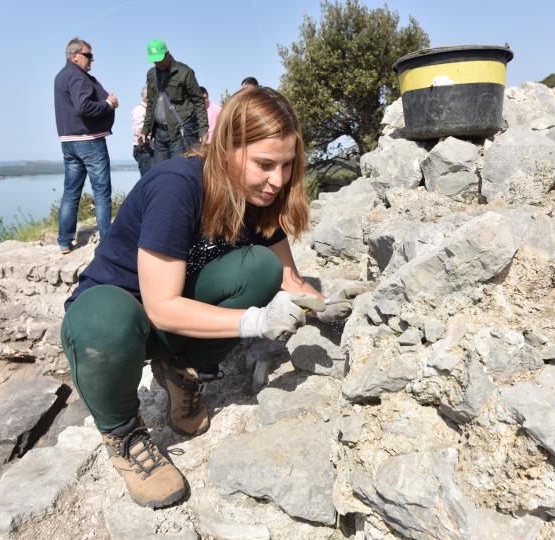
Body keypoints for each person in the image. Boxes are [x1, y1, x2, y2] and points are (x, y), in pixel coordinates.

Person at [61, 87, 349, 509]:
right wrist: (256, 322)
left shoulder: (257, 196)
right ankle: (123, 434)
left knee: (260, 268)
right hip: (121, 319)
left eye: (287, 165)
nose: (278, 180)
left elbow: (288, 277)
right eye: (265, 164)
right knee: (105, 323)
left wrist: (332, 306)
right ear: (227, 147)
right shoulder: (178, 186)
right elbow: (160, 306)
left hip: (172, 324)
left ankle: (183, 369)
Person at [53, 37, 118, 254]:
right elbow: (83, 107)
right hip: (88, 141)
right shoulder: (77, 76)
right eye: (88, 55)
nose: (92, 60)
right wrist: (108, 104)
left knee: (71, 192)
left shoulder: (61, 77)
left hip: (68, 142)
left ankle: (64, 240)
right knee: (101, 193)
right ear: (74, 56)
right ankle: (108, 242)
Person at [139, 39, 208, 165]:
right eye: (154, 60)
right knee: (160, 173)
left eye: (160, 59)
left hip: (180, 133)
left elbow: (198, 101)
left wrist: (203, 129)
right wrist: (145, 130)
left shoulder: (184, 72)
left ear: (167, 54)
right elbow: (150, 105)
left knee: (179, 170)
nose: (157, 63)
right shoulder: (151, 74)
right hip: (159, 135)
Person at [131, 85, 153, 177]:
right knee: (147, 179)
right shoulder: (139, 110)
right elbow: (139, 130)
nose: (149, 99)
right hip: (144, 148)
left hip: (149, 148)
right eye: (147, 97)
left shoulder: (149, 110)